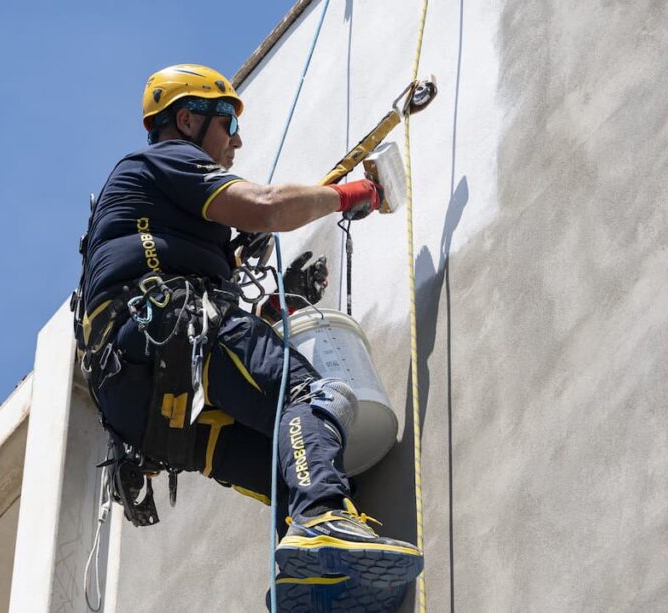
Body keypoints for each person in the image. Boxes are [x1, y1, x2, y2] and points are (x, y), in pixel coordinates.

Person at [73, 64, 422, 611]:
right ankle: (323, 527)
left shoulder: (150, 212)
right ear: (187, 120)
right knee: (312, 398)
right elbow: (265, 207)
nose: (237, 139)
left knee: (298, 471)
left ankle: (321, 581)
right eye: (228, 120)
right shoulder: (169, 159)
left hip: (144, 409)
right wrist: (355, 195)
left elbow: (187, 260)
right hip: (172, 332)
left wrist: (270, 296)